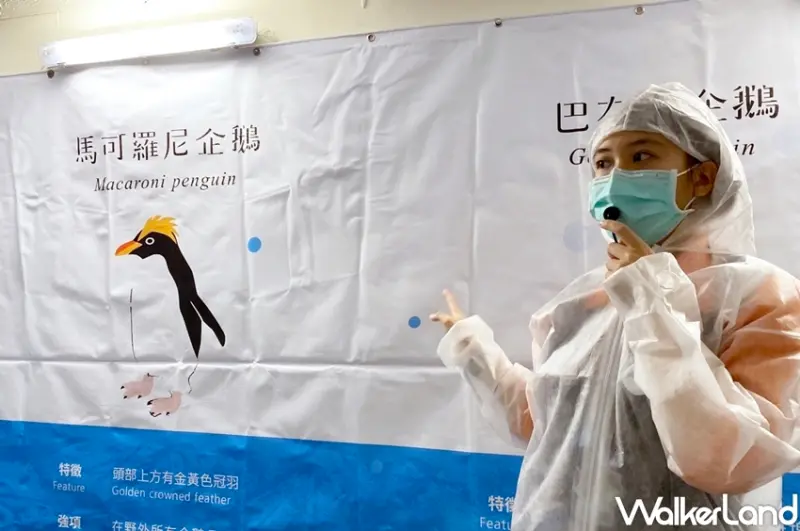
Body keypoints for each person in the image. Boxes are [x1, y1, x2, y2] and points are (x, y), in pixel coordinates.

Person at [431, 82, 800, 530]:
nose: (616, 178)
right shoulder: (583, 302)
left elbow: (728, 457)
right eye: (604, 163)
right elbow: (549, 425)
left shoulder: (760, 297)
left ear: (702, 177)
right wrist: (474, 351)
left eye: (641, 156)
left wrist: (652, 300)